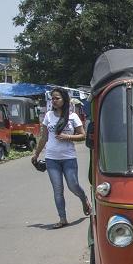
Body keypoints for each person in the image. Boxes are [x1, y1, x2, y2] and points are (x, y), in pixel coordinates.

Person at [31, 87, 91, 229]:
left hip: (69, 157)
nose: (54, 101)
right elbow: (44, 137)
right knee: (58, 190)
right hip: (51, 158)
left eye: (57, 98)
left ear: (64, 100)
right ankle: (62, 218)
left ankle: (84, 199)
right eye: (53, 98)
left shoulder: (73, 116)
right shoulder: (48, 116)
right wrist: (36, 153)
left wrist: (67, 136)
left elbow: (83, 135)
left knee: (73, 185)